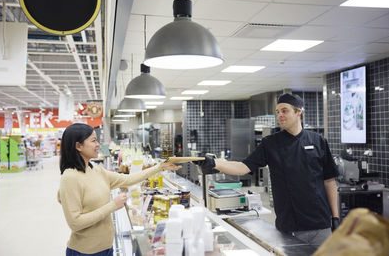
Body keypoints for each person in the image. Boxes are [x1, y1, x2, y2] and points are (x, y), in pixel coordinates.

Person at [199, 93, 340, 248]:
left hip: (320, 226)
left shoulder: (318, 141)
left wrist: (335, 216)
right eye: (278, 112)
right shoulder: (271, 143)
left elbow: (329, 181)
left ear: (298, 111)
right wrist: (215, 164)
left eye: (284, 111)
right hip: (290, 226)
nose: (280, 115)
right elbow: (243, 167)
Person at [58, 123, 181, 256]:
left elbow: (127, 179)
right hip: (85, 252)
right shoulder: (70, 177)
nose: (98, 144)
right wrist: (112, 205)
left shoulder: (96, 170)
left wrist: (160, 167)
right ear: (78, 146)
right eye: (93, 140)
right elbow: (75, 222)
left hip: (106, 248)